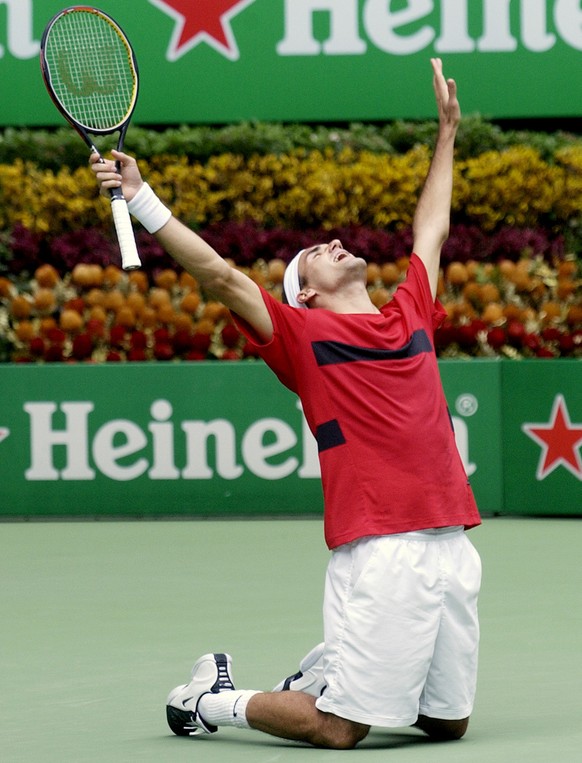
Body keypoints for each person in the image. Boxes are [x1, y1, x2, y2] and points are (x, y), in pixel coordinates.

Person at [91, 58, 481, 750]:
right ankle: (210, 699)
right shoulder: (302, 335)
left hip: (451, 540)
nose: (335, 243)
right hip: (381, 547)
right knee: (340, 729)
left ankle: (332, 663)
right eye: (317, 253)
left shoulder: (409, 312)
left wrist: (447, 132)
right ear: (305, 292)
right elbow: (219, 275)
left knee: (447, 723)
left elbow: (433, 228)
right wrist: (144, 199)